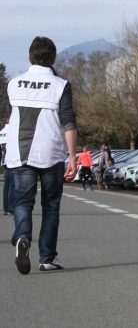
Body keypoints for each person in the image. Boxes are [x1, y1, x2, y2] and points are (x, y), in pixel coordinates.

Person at [5, 36, 78, 274]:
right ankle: (47, 257)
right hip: (50, 152)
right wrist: (73, 157)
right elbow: (68, 123)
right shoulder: (60, 85)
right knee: (51, 205)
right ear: (54, 58)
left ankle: (22, 237)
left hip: (19, 152)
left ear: (29, 57)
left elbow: (10, 119)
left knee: (23, 202)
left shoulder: (14, 83)